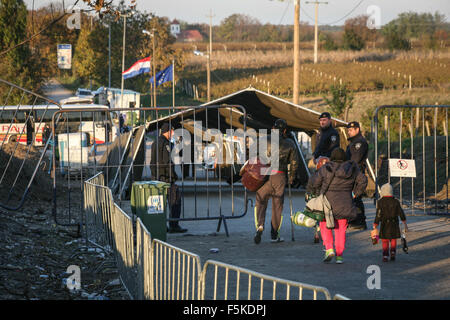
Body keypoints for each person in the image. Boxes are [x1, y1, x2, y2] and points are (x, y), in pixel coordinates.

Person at [311, 148, 367, 263]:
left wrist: (317, 192)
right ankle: (339, 256)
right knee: (340, 229)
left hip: (327, 203)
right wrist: (355, 193)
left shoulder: (326, 168)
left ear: (332, 157)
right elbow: (363, 180)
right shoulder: (352, 168)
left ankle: (329, 248)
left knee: (324, 225)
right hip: (345, 203)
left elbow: (315, 182)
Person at [254, 119, 299, 244]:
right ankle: (274, 235)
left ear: (273, 128)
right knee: (277, 206)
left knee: (261, 200)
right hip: (279, 175)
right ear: (284, 130)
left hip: (265, 174)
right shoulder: (290, 143)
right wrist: (291, 177)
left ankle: (260, 225)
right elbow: (294, 162)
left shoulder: (264, 139)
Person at [150, 122, 187, 233]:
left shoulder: (155, 142)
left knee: (159, 204)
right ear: (169, 131)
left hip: (157, 177)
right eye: (172, 131)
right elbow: (168, 162)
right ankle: (173, 225)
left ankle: (160, 224)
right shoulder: (166, 144)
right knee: (175, 200)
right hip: (166, 178)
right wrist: (173, 177)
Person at [373, 183, 408, 262]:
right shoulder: (396, 201)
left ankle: (385, 256)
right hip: (394, 223)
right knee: (393, 239)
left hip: (384, 224)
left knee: (384, 240)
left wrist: (375, 223)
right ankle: (393, 252)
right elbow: (400, 212)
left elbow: (378, 214)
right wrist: (404, 221)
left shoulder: (380, 202)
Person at [345, 121, 369, 230]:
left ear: (357, 130)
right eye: (348, 130)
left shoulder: (360, 142)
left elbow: (356, 158)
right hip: (352, 171)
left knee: (356, 196)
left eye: (350, 130)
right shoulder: (353, 142)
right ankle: (354, 220)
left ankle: (360, 221)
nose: (348, 132)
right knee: (352, 197)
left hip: (357, 171)